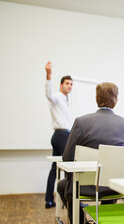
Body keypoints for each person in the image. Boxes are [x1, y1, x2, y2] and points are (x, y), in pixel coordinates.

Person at [57, 82, 124, 224]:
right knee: (107, 179)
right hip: (114, 186)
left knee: (62, 185)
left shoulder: (81, 122)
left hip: (85, 186)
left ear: (96, 99)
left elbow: (67, 158)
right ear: (116, 100)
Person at [44, 61, 73, 209]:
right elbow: (48, 95)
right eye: (67, 83)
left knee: (54, 169)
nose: (69, 86)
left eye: (71, 84)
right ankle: (69, 198)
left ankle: (49, 200)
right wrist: (48, 74)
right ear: (61, 85)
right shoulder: (56, 97)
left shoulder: (67, 101)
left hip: (61, 135)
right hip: (61, 136)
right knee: (69, 166)